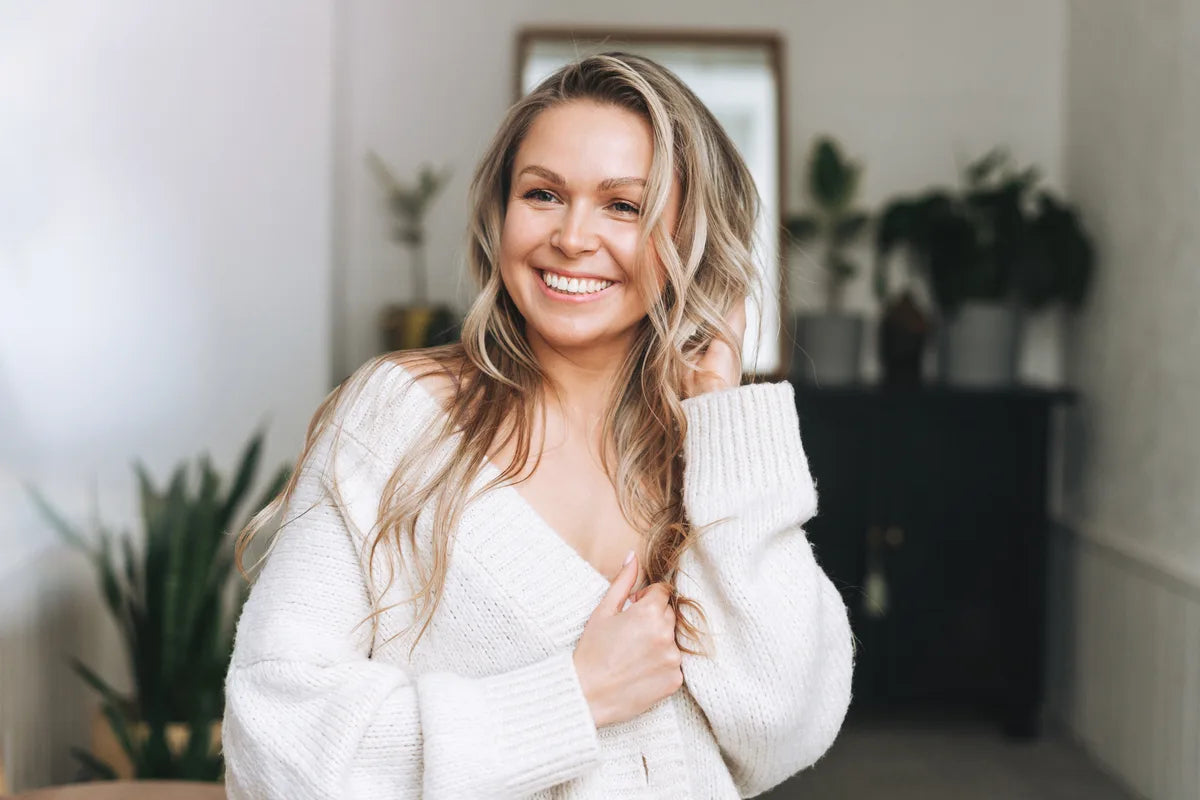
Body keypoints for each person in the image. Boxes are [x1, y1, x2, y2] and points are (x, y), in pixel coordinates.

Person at [222, 51, 854, 799]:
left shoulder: (706, 449)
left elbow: (784, 725)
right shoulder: (397, 419)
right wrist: (574, 697)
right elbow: (274, 740)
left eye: (624, 205)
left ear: (688, 237)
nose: (573, 237)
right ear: (501, 212)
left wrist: (723, 412)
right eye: (544, 194)